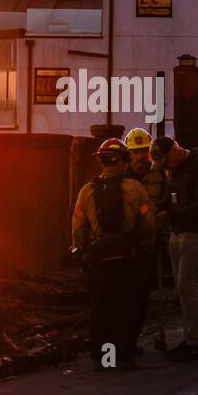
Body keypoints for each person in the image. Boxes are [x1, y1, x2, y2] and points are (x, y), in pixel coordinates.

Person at [71, 138, 155, 370]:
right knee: (130, 305)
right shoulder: (136, 188)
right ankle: (125, 354)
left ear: (101, 161)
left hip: (99, 258)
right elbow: (148, 223)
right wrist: (147, 246)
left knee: (101, 308)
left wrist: (81, 251)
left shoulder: (87, 191)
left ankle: (104, 358)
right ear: (124, 161)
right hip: (129, 257)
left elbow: (78, 227)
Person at [152, 134, 198, 362]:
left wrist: (169, 214)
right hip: (177, 231)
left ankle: (196, 342)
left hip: (193, 232)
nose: (165, 168)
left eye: (166, 162)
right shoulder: (174, 168)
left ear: (175, 151)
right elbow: (171, 197)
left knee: (186, 287)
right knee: (181, 288)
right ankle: (191, 338)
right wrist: (157, 207)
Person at [125, 127, 167, 350]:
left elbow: (167, 200)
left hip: (152, 240)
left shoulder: (160, 175)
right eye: (135, 152)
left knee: (144, 291)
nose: (140, 156)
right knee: (127, 292)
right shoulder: (121, 179)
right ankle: (127, 340)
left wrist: (160, 212)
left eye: (143, 151)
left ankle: (133, 339)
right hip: (128, 242)